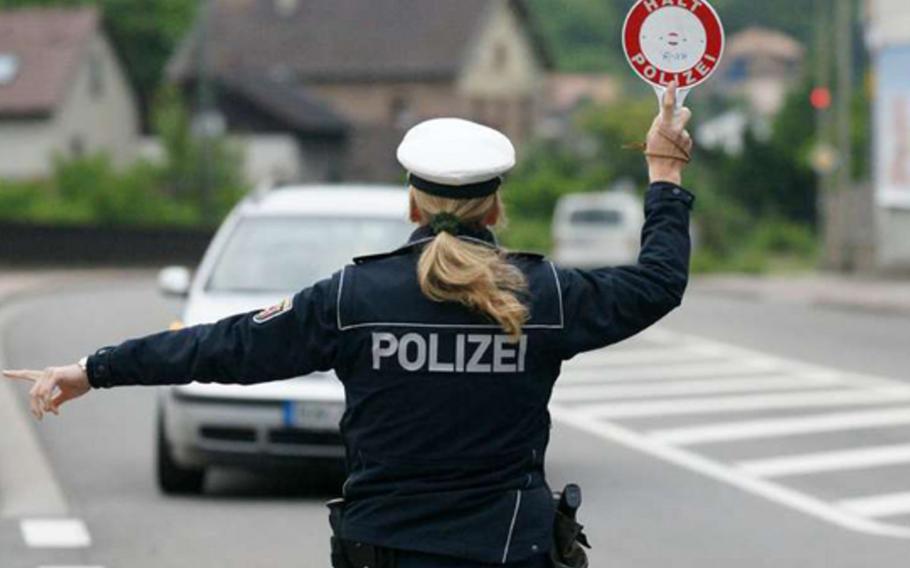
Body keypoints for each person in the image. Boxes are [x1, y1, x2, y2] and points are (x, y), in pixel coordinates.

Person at [4, 83, 694, 568]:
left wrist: (93, 370)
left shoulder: (352, 297)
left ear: (413, 202)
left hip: (383, 553)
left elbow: (222, 344)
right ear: (495, 206)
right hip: (509, 549)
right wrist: (663, 172)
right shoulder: (541, 295)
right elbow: (658, 283)